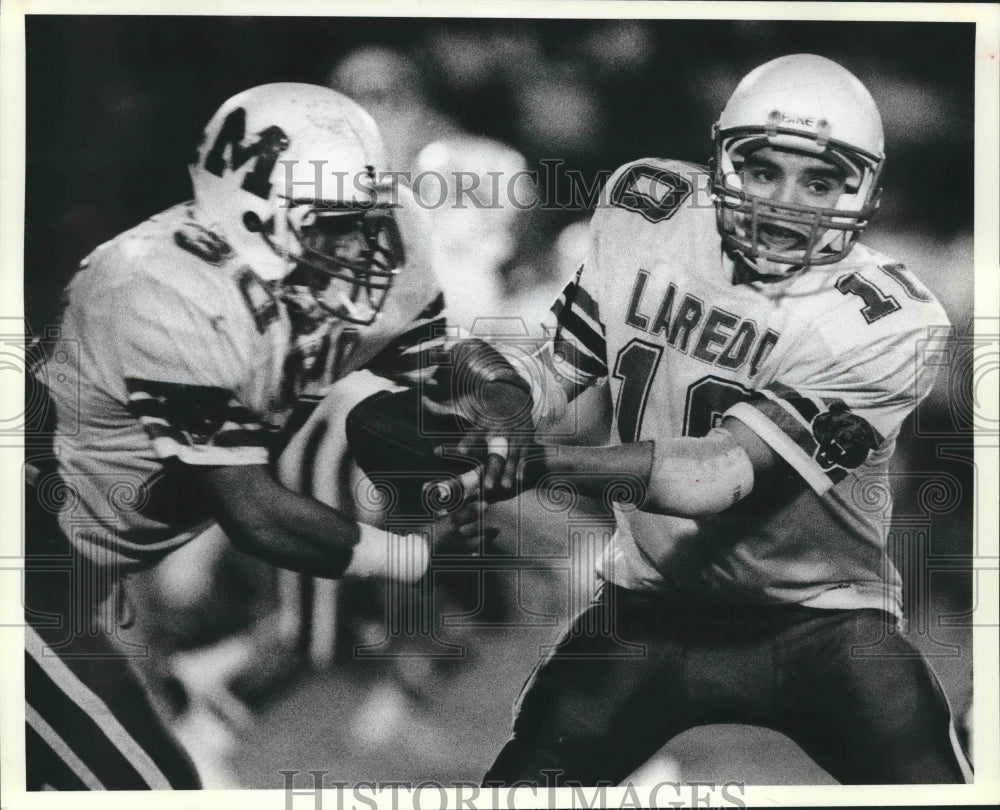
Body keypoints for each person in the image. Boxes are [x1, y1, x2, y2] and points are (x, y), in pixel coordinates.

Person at [444, 54, 972, 785]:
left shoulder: (885, 318)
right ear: (722, 161)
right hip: (652, 605)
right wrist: (504, 401)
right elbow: (559, 370)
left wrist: (536, 463)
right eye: (764, 171)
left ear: (864, 190)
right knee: (522, 789)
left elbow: (716, 474)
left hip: (822, 621)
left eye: (820, 180)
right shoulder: (648, 211)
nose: (787, 202)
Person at [25, 82, 479, 790]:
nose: (367, 240)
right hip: (32, 559)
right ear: (255, 215)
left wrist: (491, 425)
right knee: (146, 786)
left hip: (94, 554)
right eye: (337, 222)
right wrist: (417, 558)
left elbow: (438, 380)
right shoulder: (159, 290)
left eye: (367, 214)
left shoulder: (364, 254)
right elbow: (255, 513)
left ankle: (194, 700)